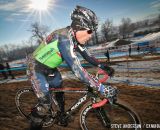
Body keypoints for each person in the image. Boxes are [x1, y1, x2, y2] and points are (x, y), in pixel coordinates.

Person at [27, 5, 116, 130]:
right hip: (36, 68)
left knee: (59, 90)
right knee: (45, 104)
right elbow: (77, 69)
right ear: (78, 27)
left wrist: (103, 66)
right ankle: (34, 124)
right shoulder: (64, 39)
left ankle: (61, 114)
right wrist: (100, 87)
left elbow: (88, 56)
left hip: (51, 68)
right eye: (89, 31)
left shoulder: (74, 39)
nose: (91, 35)